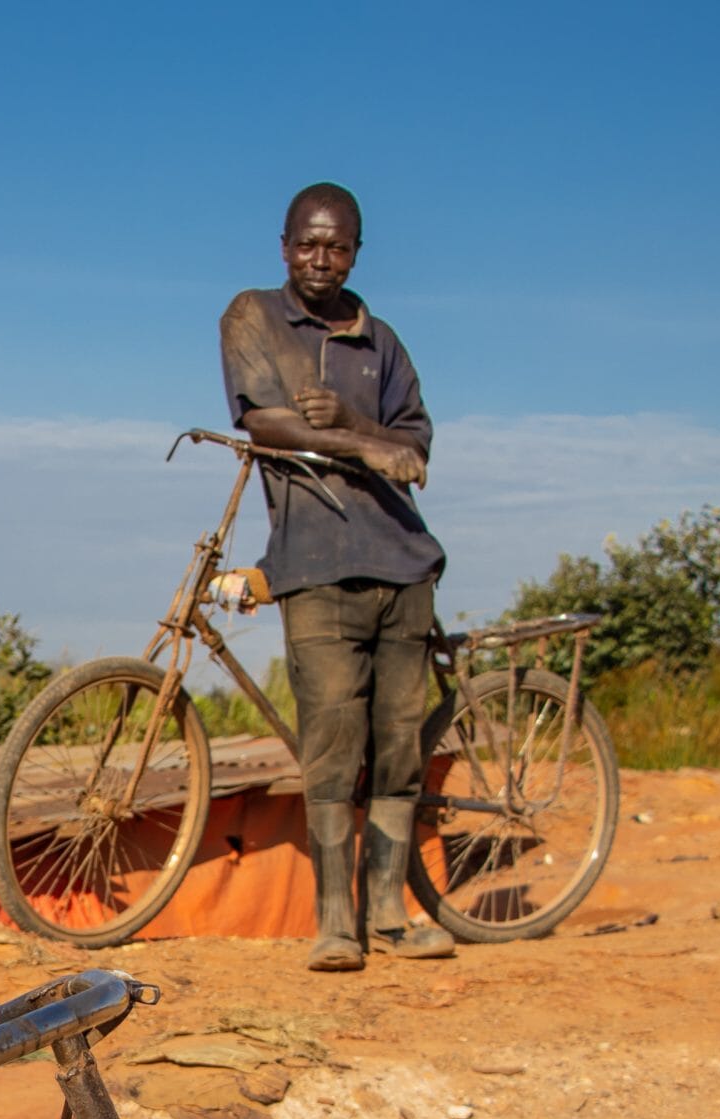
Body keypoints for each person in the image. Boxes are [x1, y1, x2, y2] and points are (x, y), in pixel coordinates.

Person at [220, 182, 454, 970]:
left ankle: (388, 913)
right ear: (283, 246)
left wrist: (354, 426)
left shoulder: (379, 339)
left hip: (402, 560)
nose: (322, 260)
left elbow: (414, 447)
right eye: (307, 244)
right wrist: (365, 446)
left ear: (357, 251)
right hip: (315, 562)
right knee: (330, 738)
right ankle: (334, 922)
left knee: (398, 743)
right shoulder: (253, 315)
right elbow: (263, 421)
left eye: (338, 246)